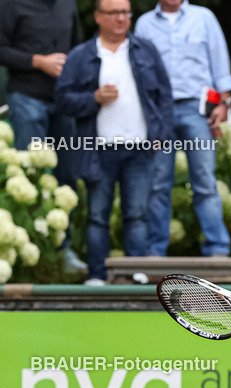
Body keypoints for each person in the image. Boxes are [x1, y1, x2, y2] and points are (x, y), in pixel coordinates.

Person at [54, 0, 173, 286]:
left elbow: (164, 97)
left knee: (137, 213)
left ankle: (136, 271)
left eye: (125, 13)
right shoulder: (82, 55)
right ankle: (97, 274)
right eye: (114, 13)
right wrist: (93, 98)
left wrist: (161, 135)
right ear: (98, 17)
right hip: (98, 150)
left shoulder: (146, 49)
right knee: (97, 215)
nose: (121, 18)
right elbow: (62, 99)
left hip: (140, 148)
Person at [136, 0, 231, 258]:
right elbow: (137, 72)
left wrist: (224, 104)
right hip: (158, 112)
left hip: (197, 109)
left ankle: (218, 250)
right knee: (157, 183)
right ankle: (155, 252)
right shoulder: (144, 24)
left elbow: (220, 62)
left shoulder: (204, 17)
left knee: (205, 181)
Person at [0, 0, 85, 272]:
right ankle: (27, 253)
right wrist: (38, 61)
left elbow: (78, 49)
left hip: (64, 101)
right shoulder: (9, 4)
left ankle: (63, 250)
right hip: (26, 97)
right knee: (30, 176)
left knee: (67, 176)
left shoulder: (67, 4)